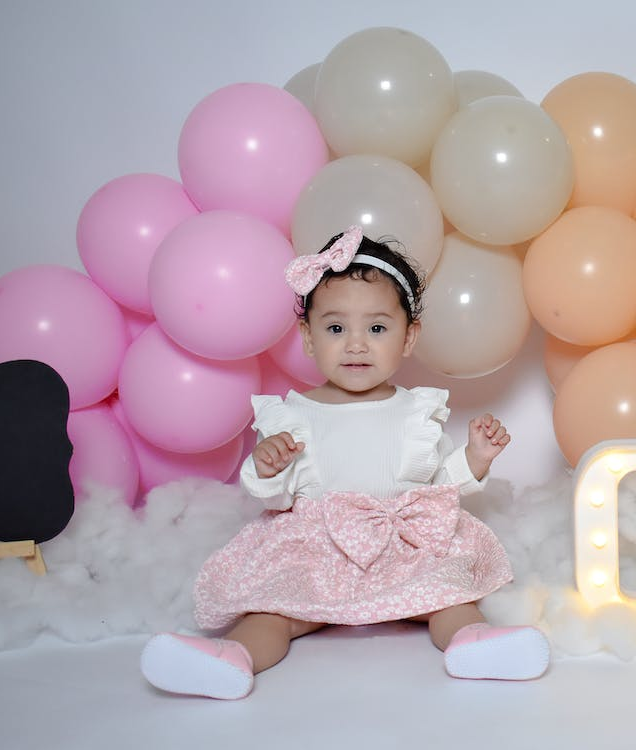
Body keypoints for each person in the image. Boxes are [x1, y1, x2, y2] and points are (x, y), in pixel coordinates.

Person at [140, 226, 549, 699]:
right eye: (336, 328)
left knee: (450, 597)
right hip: (318, 551)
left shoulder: (417, 411)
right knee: (272, 611)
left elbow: (437, 486)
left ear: (409, 336)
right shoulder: (294, 414)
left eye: (377, 328)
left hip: (402, 546)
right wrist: (269, 465)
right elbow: (277, 496)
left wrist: (475, 457)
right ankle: (232, 658)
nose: (356, 344)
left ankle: (472, 643)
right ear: (309, 338)